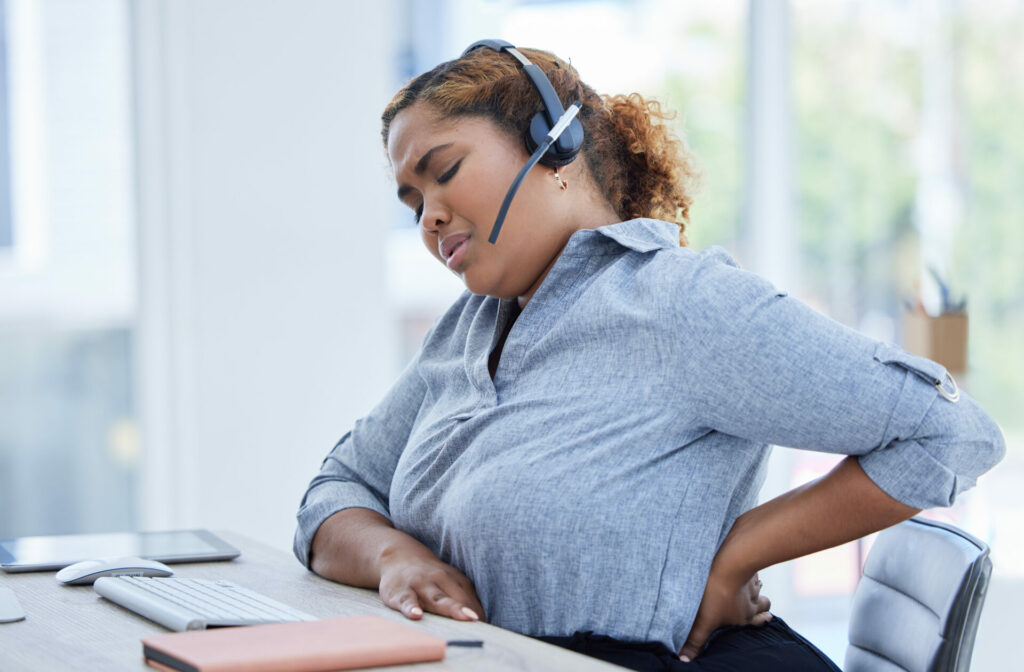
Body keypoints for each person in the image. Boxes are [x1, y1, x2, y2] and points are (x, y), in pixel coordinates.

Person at [293, 42, 1004, 671]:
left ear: (555, 149)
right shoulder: (466, 332)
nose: (430, 218)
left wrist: (737, 555)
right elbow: (333, 495)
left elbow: (950, 433)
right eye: (412, 200)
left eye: (443, 171)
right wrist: (395, 557)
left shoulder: (678, 304)